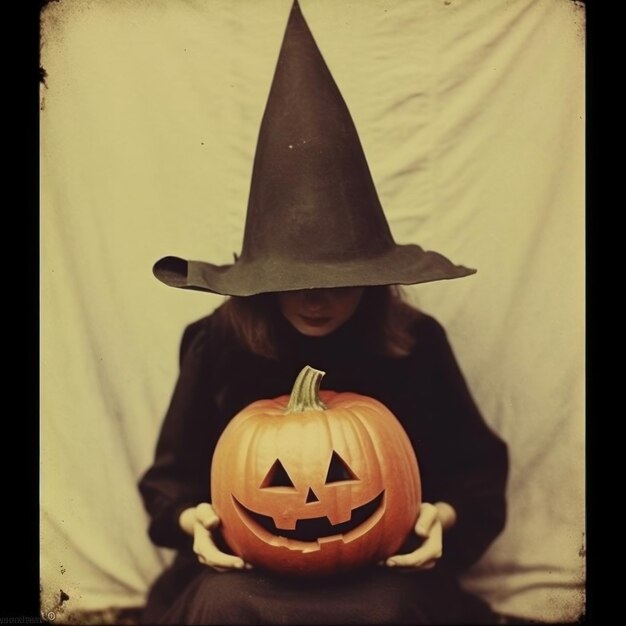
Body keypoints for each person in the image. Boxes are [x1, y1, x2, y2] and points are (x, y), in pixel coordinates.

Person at [139, 2, 508, 624]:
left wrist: (442, 518)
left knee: (391, 609)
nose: (316, 298)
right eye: (297, 281)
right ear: (263, 281)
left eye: (339, 280)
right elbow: (170, 483)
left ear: (373, 277)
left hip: (383, 572)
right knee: (221, 608)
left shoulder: (416, 342)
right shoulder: (218, 343)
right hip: (245, 575)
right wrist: (192, 520)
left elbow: (475, 477)